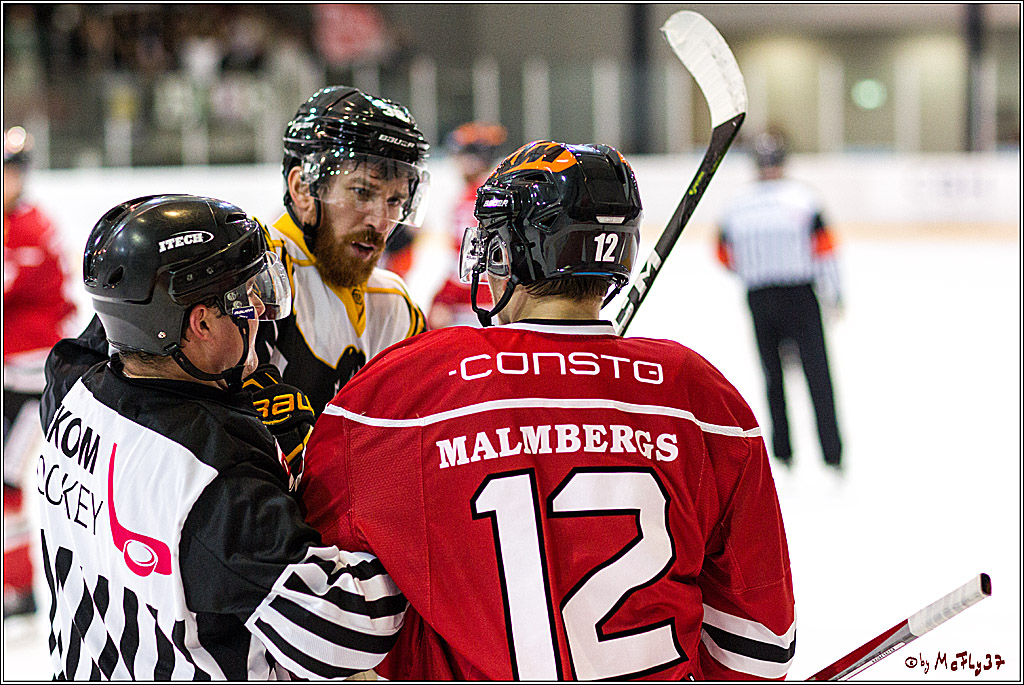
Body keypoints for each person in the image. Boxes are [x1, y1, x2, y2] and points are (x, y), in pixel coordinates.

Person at [301, 141, 797, 680]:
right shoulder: (700, 397)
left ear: (509, 253)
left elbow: (327, 612)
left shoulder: (402, 391)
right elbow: (760, 647)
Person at [38, 194, 406, 680]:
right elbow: (343, 631)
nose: (259, 310)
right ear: (203, 323)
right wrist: (406, 525)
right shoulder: (215, 472)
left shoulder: (73, 393)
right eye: (245, 296)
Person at [256, 85, 429, 422]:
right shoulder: (257, 272)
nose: (380, 222)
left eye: (395, 201)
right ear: (303, 189)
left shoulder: (395, 305)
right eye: (362, 192)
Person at [716, 127, 844, 471]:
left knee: (773, 376)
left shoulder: (736, 207)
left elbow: (723, 256)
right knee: (818, 374)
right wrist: (837, 296)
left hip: (759, 296)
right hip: (800, 294)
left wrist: (753, 271)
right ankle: (832, 453)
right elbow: (826, 252)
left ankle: (783, 453)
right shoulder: (804, 199)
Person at [3, 126, 78, 620]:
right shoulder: (21, 223)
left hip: (32, 381)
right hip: (24, 377)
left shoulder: (24, 229)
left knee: (8, 481)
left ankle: (21, 585)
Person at [416, 121, 508, 329]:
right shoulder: (497, 194)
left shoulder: (472, 200)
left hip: (475, 305)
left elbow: (469, 265)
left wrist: (444, 298)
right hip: (501, 301)